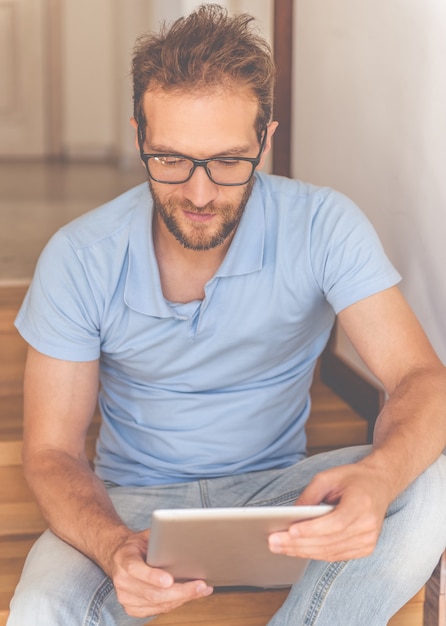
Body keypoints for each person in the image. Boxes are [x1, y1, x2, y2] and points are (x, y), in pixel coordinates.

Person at [7, 4, 446, 625]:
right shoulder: (80, 256)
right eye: (171, 159)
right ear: (138, 137)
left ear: (266, 141)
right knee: (42, 605)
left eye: (229, 161)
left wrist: (378, 476)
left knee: (433, 479)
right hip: (128, 509)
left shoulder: (324, 224)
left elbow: (422, 380)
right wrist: (110, 546)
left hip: (279, 500)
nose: (200, 193)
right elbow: (51, 450)